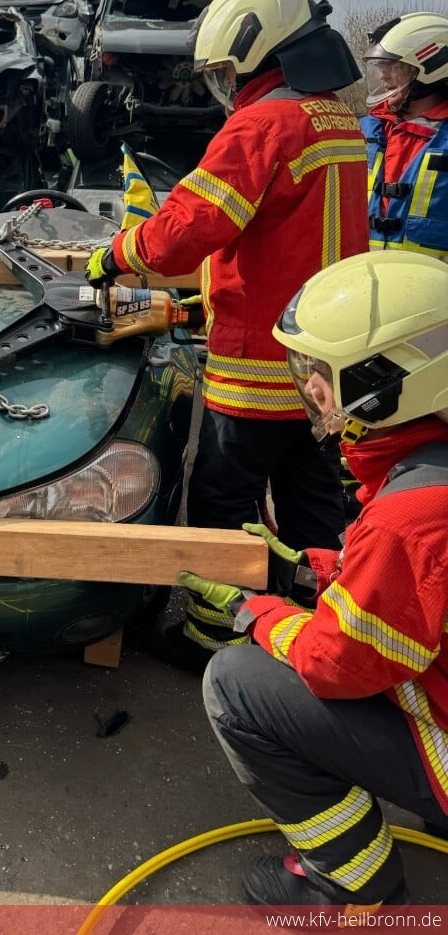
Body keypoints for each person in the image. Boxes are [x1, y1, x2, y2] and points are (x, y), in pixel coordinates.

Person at [86, 0, 370, 668]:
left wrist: (114, 257)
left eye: (224, 73)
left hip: (257, 369)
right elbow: (289, 238)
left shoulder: (264, 124)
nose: (223, 86)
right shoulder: (339, 120)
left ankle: (216, 641)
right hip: (322, 366)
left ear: (254, 49)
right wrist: (203, 300)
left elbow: (187, 229)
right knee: (313, 509)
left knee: (222, 510)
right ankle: (319, 635)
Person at [186, 250, 448, 911]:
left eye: (322, 374)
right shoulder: (429, 476)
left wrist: (261, 614)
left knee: (237, 686)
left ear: (386, 383)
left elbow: (339, 663)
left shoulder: (410, 516)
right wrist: (310, 570)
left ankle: (351, 884)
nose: (311, 389)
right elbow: (421, 593)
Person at [362, 12, 448, 261]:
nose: (383, 76)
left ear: (429, 68)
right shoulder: (365, 131)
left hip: (433, 282)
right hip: (365, 276)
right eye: (381, 66)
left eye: (393, 66)